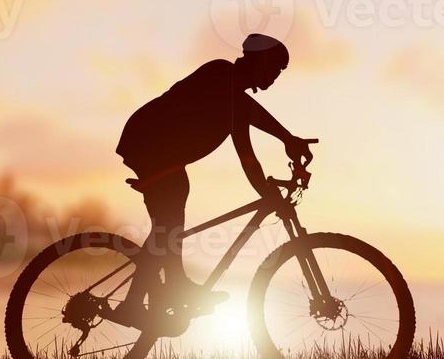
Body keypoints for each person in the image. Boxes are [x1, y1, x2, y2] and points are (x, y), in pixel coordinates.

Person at [114, 34, 316, 315]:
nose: (275, 77)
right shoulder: (220, 73)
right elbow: (246, 116)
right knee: (171, 213)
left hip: (158, 151)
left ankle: (168, 291)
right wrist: (285, 141)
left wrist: (286, 142)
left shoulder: (236, 104)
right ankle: (138, 302)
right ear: (261, 62)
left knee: (169, 223)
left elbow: (247, 148)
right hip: (146, 142)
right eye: (275, 69)